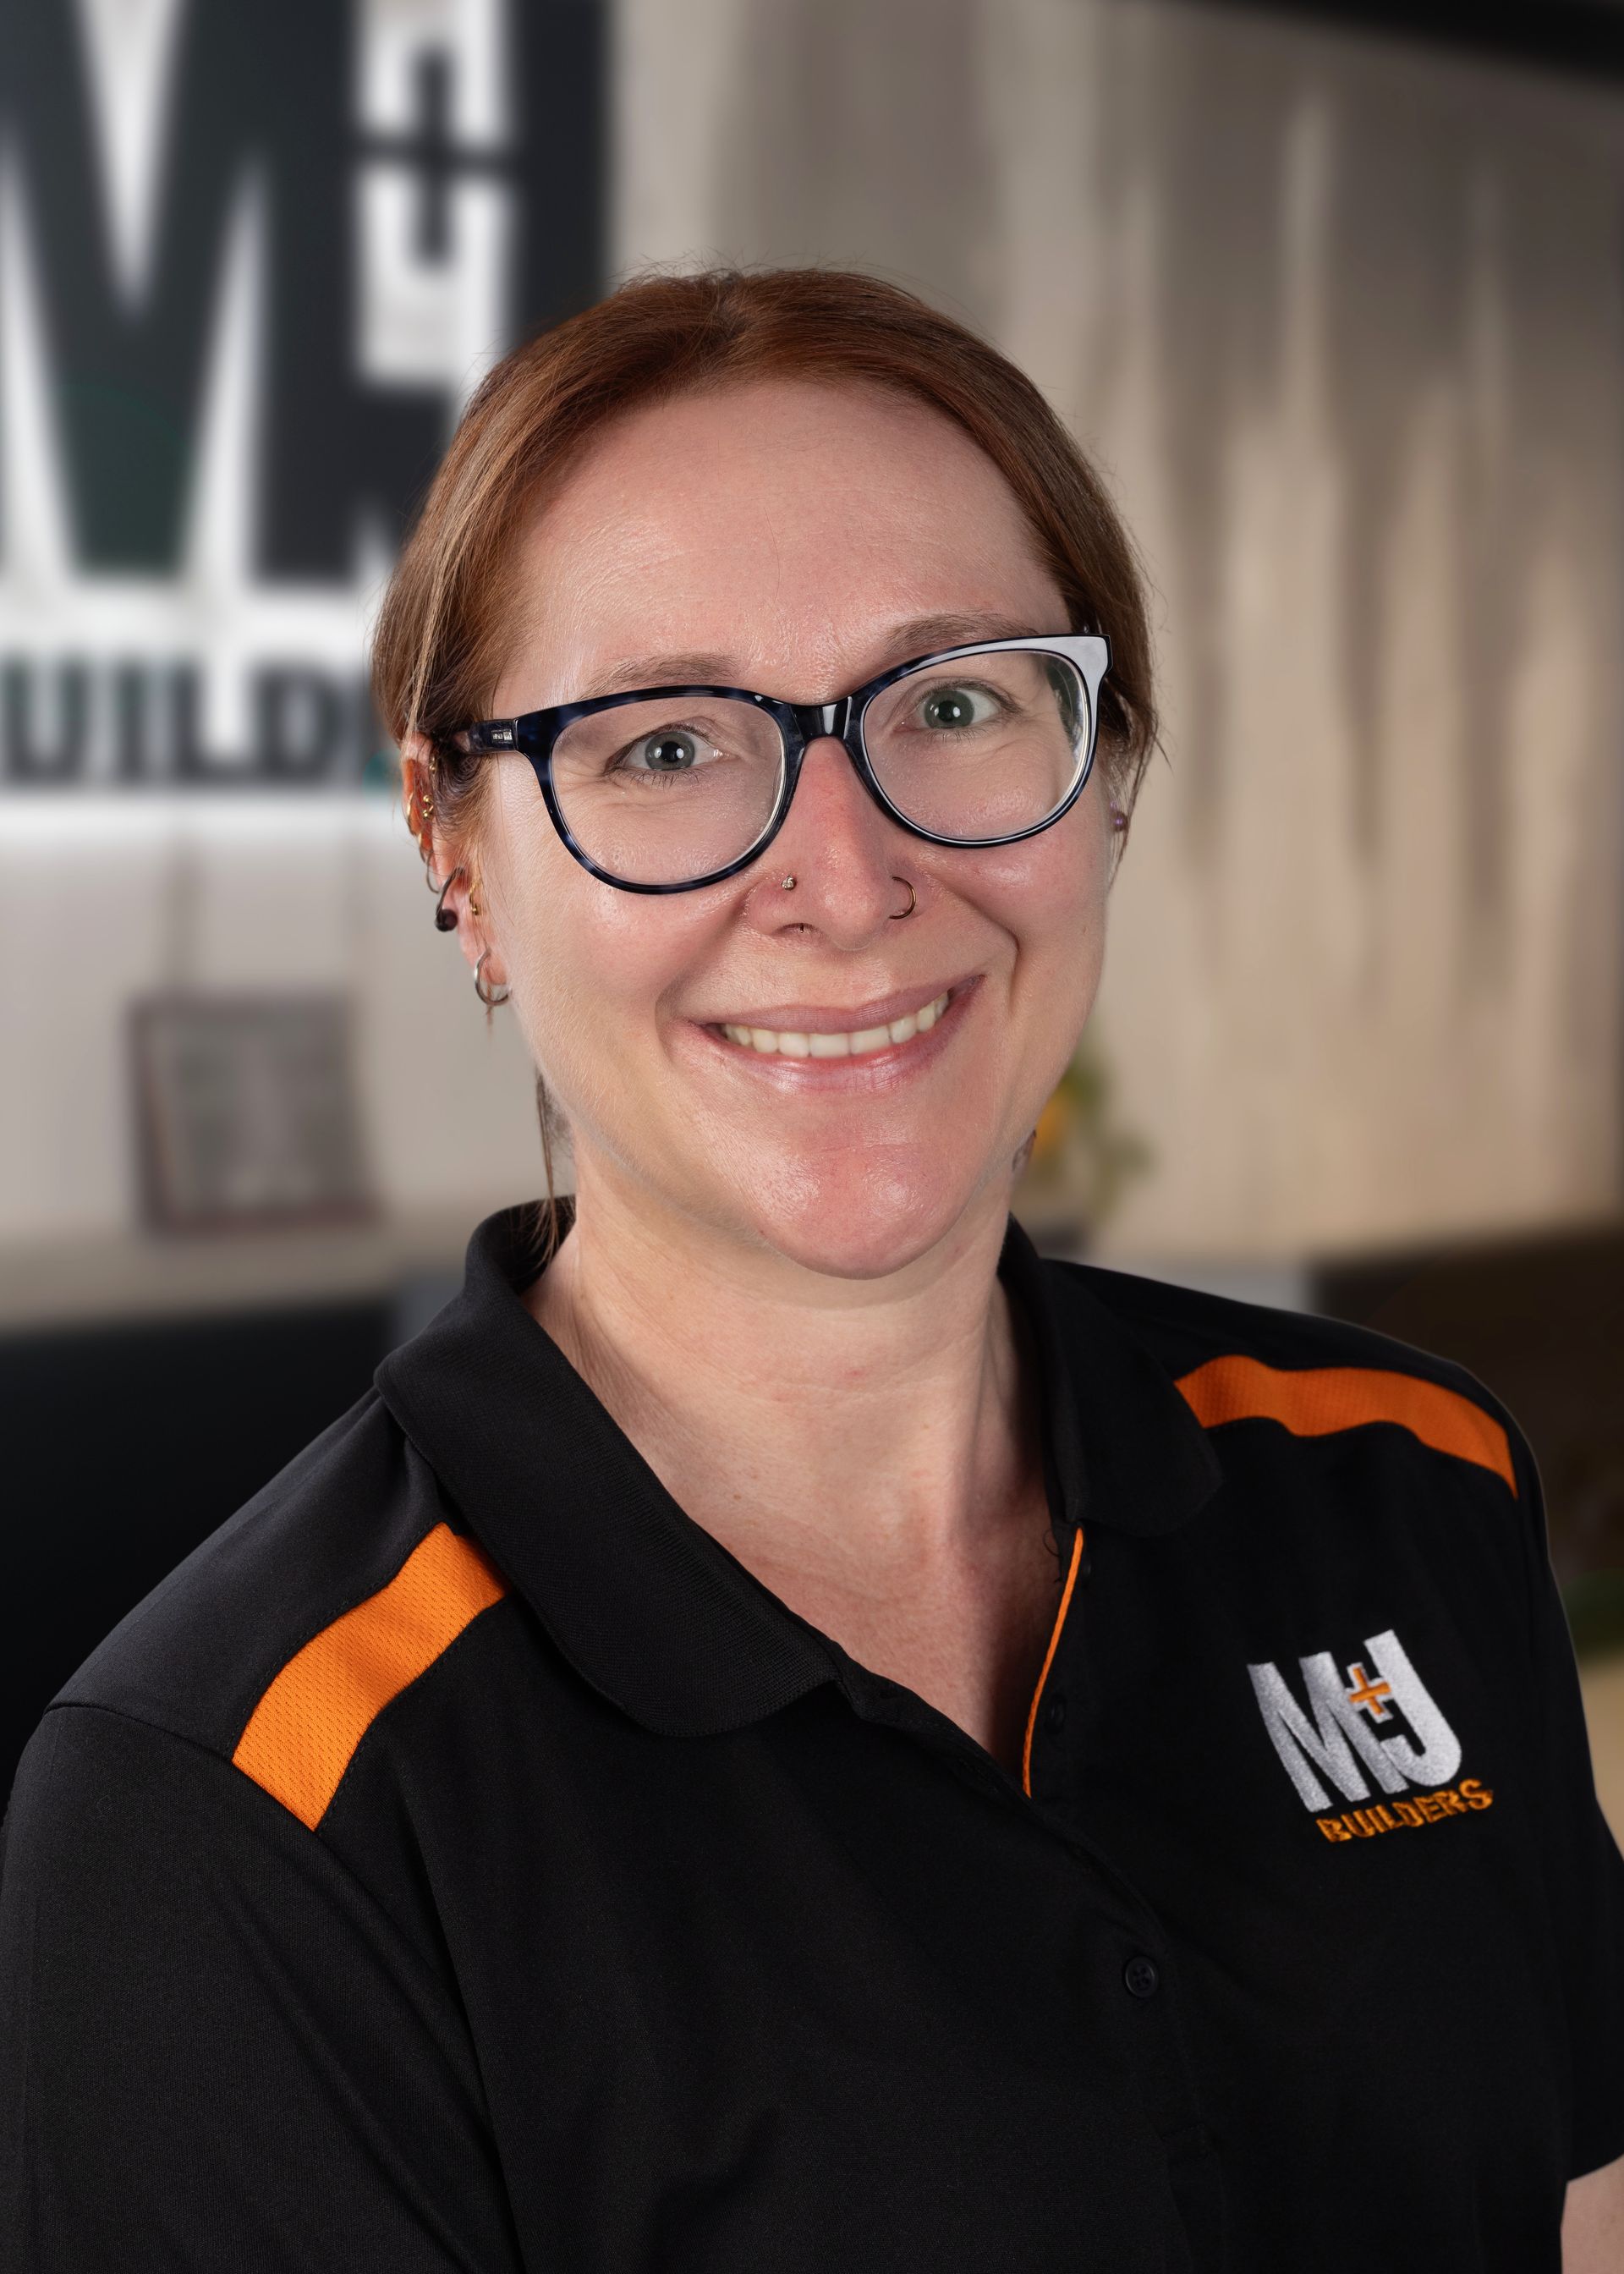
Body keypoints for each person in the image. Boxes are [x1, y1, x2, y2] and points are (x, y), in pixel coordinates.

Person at [3, 266, 1621, 2273]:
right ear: (454, 848)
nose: (845, 880)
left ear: (1101, 771)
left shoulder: (1408, 1482)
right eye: (665, 746)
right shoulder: (239, 1807)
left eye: (953, 705)